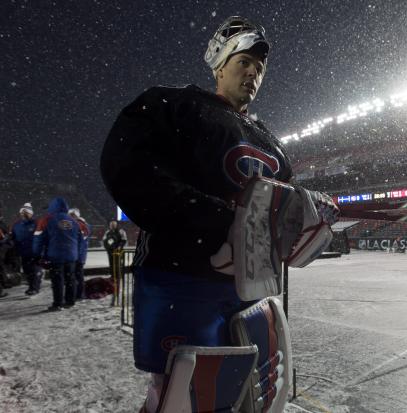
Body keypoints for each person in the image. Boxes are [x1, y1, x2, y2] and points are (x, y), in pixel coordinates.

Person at [100, 16, 338, 412]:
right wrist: (218, 222)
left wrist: (308, 216)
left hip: (254, 291)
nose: (253, 74)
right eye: (244, 62)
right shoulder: (174, 106)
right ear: (219, 62)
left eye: (259, 68)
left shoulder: (272, 144)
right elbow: (129, 168)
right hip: (183, 281)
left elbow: (278, 216)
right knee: (183, 397)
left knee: (251, 398)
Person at [33, 197, 82, 311]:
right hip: (71, 256)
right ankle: (70, 301)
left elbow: (38, 239)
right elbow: (79, 239)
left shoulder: (47, 220)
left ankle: (58, 303)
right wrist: (76, 254)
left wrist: (36, 254)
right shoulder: (73, 221)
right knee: (70, 278)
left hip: (56, 256)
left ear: (52, 207)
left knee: (57, 280)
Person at [11, 203, 43, 295]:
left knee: (35, 270)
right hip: (24, 252)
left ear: (31, 213)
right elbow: (12, 237)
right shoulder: (16, 225)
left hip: (35, 252)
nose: (23, 215)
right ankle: (31, 286)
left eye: (26, 213)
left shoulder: (37, 223)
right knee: (27, 271)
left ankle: (35, 288)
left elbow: (42, 236)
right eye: (22, 213)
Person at [69, 208, 90, 300]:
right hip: (77, 255)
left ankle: (79, 294)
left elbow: (80, 243)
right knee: (77, 276)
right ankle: (78, 294)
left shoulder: (80, 225)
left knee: (78, 276)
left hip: (77, 255)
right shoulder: (79, 225)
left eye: (71, 215)